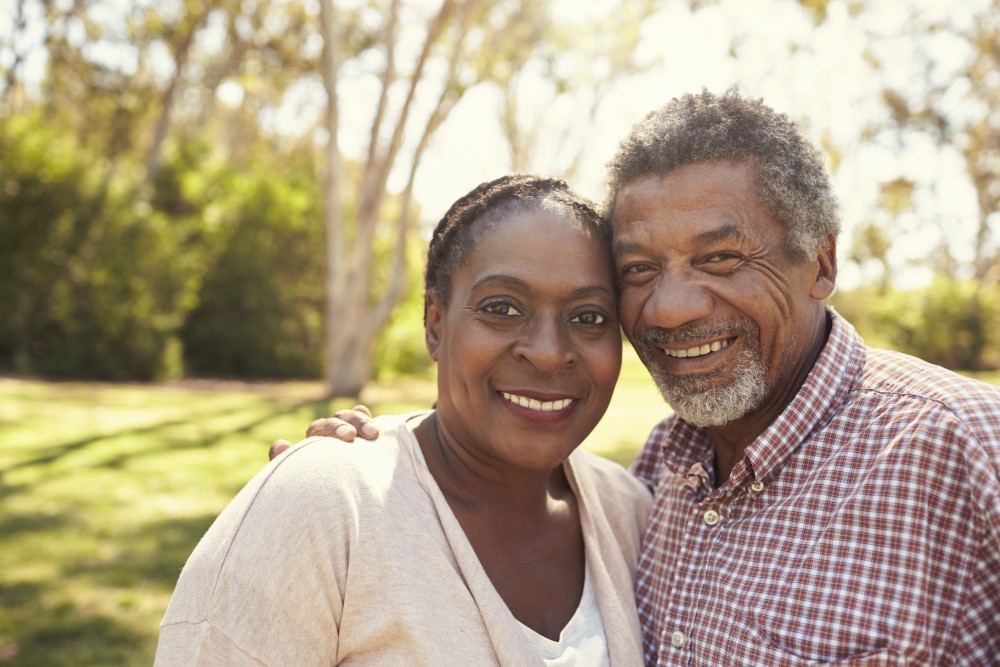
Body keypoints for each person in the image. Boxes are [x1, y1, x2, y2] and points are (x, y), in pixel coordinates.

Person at [293, 91, 1000, 665]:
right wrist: (392, 450)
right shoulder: (656, 479)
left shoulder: (967, 450)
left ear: (820, 263)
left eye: (721, 258)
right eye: (638, 270)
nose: (671, 307)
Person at [155, 175, 652, 666]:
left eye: (588, 317)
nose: (548, 354)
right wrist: (306, 483)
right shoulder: (326, 509)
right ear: (435, 324)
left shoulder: (629, 513)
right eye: (503, 308)